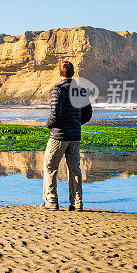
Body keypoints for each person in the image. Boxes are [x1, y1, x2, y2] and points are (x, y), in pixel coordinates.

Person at [43, 61, 93, 211]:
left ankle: (51, 201)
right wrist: (76, 123)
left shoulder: (58, 89)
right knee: (74, 169)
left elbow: (55, 114)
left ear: (59, 74)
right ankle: (77, 203)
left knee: (50, 167)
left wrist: (48, 125)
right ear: (73, 73)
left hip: (59, 135)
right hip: (75, 135)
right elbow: (88, 114)